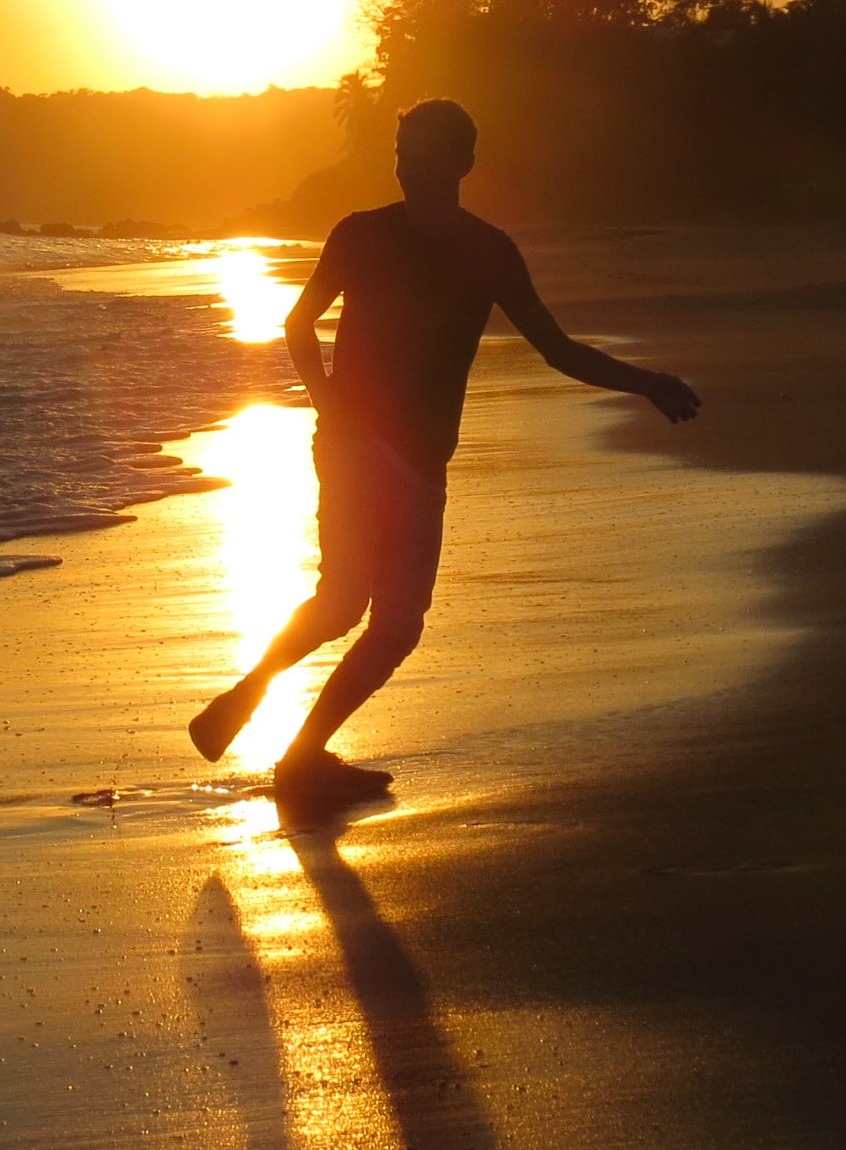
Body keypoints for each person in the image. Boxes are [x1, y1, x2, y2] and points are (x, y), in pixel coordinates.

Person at [189, 98, 700, 798]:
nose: (406, 169)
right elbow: (300, 323)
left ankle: (245, 701)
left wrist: (327, 406)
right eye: (401, 155)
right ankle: (300, 756)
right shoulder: (459, 245)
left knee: (340, 602)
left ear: (461, 164)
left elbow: (553, 349)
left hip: (348, 445)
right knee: (394, 624)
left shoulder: (427, 242)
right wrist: (330, 402)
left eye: (419, 156)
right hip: (392, 453)